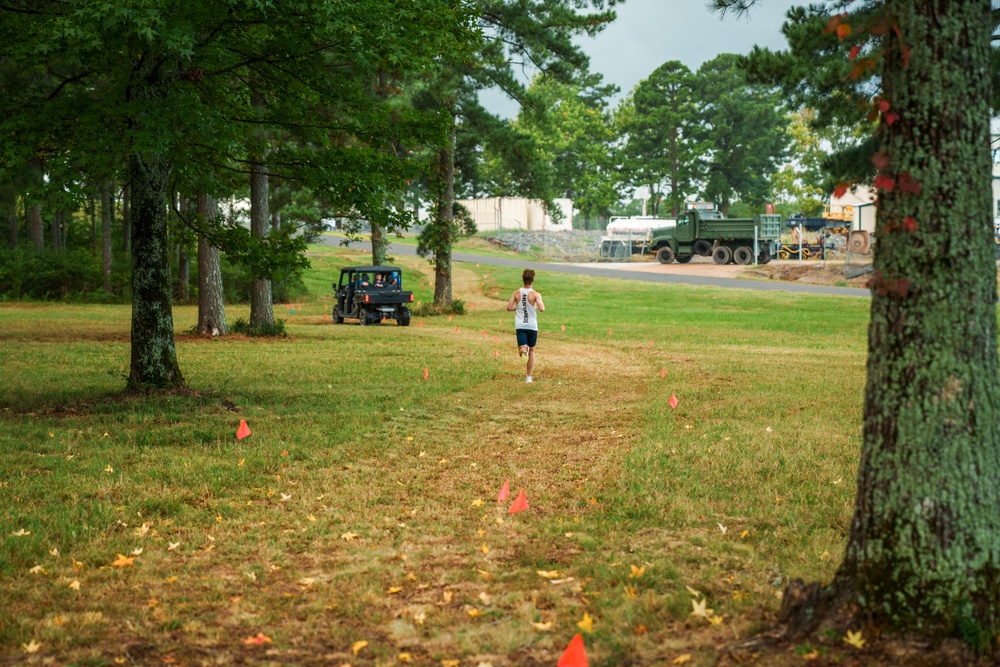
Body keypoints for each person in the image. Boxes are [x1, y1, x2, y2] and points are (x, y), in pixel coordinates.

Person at [506, 268, 545, 383]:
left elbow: (509, 307)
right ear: (533, 280)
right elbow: (542, 309)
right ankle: (529, 377)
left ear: (523, 280)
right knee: (532, 350)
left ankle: (523, 351)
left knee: (523, 348)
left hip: (520, 325)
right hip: (532, 326)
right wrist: (538, 306)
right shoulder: (536, 294)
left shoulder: (517, 293)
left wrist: (518, 308)